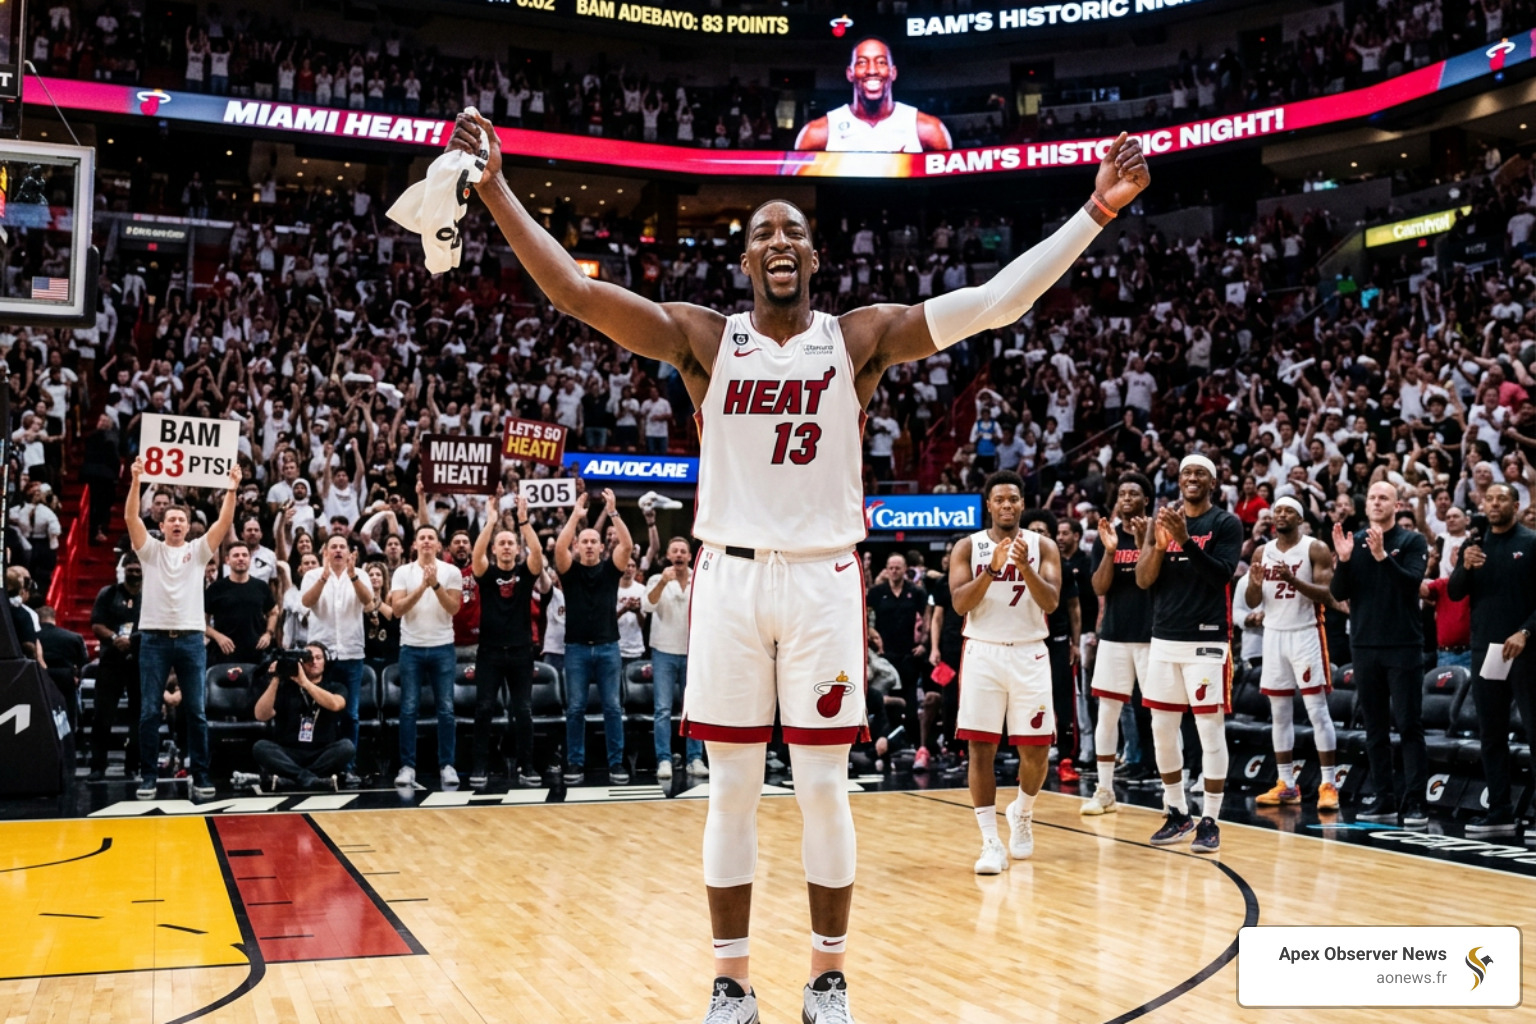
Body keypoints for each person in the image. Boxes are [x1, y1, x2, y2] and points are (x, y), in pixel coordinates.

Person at [448, 108, 1147, 1024]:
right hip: (730, 579)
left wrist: (1095, 211)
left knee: (822, 788)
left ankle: (827, 979)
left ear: (815, 257)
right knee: (731, 790)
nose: (780, 240)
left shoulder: (857, 339)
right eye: (763, 232)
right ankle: (731, 984)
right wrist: (497, 189)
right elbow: (578, 295)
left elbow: (996, 302)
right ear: (746, 261)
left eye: (794, 231)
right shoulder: (704, 338)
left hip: (822, 580)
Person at [949, 471, 1062, 875]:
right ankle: (990, 842)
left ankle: (1023, 812)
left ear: (1022, 503)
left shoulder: (1043, 546)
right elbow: (960, 604)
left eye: (1013, 499)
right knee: (981, 749)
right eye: (1000, 499)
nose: (1007, 505)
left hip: (1030, 652)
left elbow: (1051, 602)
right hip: (983, 651)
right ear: (989, 505)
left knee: (1036, 751)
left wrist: (1024, 567)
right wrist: (993, 570)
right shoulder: (968, 546)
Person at [1134, 454, 1243, 854]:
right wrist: (1158, 546)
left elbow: (1220, 575)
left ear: (1212, 482)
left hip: (1207, 640)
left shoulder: (1225, 523)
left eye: (1200, 473)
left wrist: (1184, 541)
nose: (1192, 478)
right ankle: (1177, 811)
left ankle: (1210, 819)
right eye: (1186, 473)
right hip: (1164, 638)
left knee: (1209, 730)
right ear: (1178, 480)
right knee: (1162, 730)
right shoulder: (1161, 521)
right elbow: (1144, 580)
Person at [125, 455, 241, 800]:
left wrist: (232, 490)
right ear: (161, 525)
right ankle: (148, 777)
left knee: (197, 712)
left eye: (181, 519)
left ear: (189, 526)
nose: (176, 523)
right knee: (149, 712)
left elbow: (224, 522)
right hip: (154, 639)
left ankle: (200, 775)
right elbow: (131, 518)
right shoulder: (150, 551)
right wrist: (136, 481)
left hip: (191, 638)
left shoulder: (198, 551)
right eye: (171, 519)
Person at [1330, 480, 1429, 828]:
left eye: (1384, 497)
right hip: (1364, 645)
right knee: (1374, 728)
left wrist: (1382, 557)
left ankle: (1415, 801)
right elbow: (1338, 593)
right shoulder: (1354, 542)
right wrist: (1344, 561)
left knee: (1409, 724)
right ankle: (1383, 797)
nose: (1376, 502)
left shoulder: (1412, 541)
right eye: (1372, 497)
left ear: (1397, 505)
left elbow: (1411, 583)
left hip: (1403, 645)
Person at [1446, 482, 1536, 835]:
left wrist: (1525, 632)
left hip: (1528, 650)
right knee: (1492, 734)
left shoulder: (1531, 542)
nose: (1494, 503)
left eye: (1502, 499)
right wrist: (1465, 566)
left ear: (1516, 504)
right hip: (1487, 651)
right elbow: (1455, 593)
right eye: (1490, 499)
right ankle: (1499, 811)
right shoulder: (1475, 545)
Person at [1245, 497, 1339, 811]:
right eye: (1278, 511)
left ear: (1299, 518)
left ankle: (1329, 784)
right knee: (1279, 714)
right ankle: (1286, 784)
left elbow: (1328, 594)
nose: (1281, 514)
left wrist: (1293, 580)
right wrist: (1254, 586)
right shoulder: (1262, 552)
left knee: (1317, 711)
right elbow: (1252, 599)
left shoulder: (1315, 548)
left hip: (1306, 633)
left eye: (1288, 511)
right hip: (1273, 635)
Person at [1081, 472, 1154, 815]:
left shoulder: (1158, 532)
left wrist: (1142, 545)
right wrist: (1110, 552)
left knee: (1163, 715)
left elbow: (1152, 580)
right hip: (1113, 634)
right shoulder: (1106, 536)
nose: (1126, 498)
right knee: (1107, 714)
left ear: (1146, 500)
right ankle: (1105, 789)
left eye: (1133, 493)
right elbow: (1099, 587)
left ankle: (1174, 791)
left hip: (1152, 635)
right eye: (1122, 493)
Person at [556, 489, 632, 786]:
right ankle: (575, 762)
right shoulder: (569, 570)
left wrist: (613, 512)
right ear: (577, 546)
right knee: (575, 709)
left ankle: (616, 763)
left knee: (612, 708)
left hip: (607, 647)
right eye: (584, 541)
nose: (588, 545)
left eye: (593, 542)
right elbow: (559, 548)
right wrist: (576, 516)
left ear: (601, 547)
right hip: (576, 649)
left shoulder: (611, 569)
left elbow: (627, 545)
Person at [469, 490, 545, 787]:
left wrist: (523, 522)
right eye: (501, 543)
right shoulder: (486, 574)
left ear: (517, 549)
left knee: (523, 710)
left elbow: (538, 553)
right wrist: (491, 521)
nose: (505, 547)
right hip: (489, 652)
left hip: (520, 652)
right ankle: (480, 766)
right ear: (494, 549)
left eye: (510, 543)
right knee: (484, 709)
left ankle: (527, 766)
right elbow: (476, 557)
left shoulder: (526, 572)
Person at [388, 524, 464, 789]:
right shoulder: (403, 572)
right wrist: (422, 586)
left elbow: (453, 608)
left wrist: (436, 585)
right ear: (415, 544)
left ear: (439, 545)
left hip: (443, 647)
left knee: (446, 709)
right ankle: (408, 767)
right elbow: (397, 610)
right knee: (409, 709)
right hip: (411, 647)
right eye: (422, 538)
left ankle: (447, 765)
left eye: (432, 537)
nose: (427, 541)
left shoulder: (451, 571)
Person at [301, 534, 374, 787]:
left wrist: (353, 576)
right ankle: (321, 766)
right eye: (334, 547)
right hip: (321, 656)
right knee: (319, 713)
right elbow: (306, 602)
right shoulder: (313, 575)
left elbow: (369, 603)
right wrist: (323, 577)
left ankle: (348, 767)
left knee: (351, 715)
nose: (338, 550)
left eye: (343, 547)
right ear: (325, 552)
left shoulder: (361, 574)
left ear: (350, 553)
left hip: (352, 654)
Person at [794, 37, 952, 153]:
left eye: (881, 62)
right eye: (862, 62)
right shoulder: (818, 132)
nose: (872, 70)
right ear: (850, 73)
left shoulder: (928, 129)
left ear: (893, 72)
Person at [251, 642, 354, 791]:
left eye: (318, 658)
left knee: (347, 747)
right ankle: (310, 779)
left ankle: (292, 779)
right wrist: (276, 678)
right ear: (300, 662)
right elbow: (261, 715)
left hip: (321, 752)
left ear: (325, 662)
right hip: (290, 752)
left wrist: (305, 683)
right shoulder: (286, 687)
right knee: (260, 747)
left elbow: (336, 704)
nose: (314, 662)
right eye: (308, 658)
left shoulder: (335, 687)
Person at [646, 534, 705, 780]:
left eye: (683, 551)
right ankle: (664, 759)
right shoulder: (656, 579)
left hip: (693, 652)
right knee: (662, 709)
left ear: (690, 556)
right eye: (675, 551)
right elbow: (647, 606)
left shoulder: (700, 579)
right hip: (663, 652)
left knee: (694, 708)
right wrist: (662, 582)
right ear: (668, 556)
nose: (679, 554)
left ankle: (695, 758)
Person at [87, 553, 142, 782]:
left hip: (140, 661)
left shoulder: (151, 596)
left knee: (139, 717)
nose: (135, 573)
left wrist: (133, 640)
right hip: (111, 660)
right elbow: (96, 624)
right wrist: (114, 638)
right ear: (123, 570)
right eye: (131, 569)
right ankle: (97, 767)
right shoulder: (108, 593)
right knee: (102, 715)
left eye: (138, 570)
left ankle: (133, 766)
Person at [204, 541, 278, 666]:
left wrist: (268, 634)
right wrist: (218, 637)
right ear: (227, 560)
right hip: (224, 655)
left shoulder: (261, 587)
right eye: (236, 555)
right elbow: (201, 622)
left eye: (244, 555)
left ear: (250, 559)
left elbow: (274, 612)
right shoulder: (215, 589)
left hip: (256, 655)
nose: (241, 558)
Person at [37, 605, 87, 733]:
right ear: (54, 618)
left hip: (40, 678)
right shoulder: (74, 637)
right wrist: (77, 675)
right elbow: (83, 660)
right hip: (66, 678)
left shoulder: (33, 637)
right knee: (68, 715)